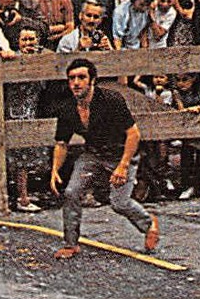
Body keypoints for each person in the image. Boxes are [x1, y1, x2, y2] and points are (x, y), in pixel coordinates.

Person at [49, 57, 160, 260]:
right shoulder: (67, 108)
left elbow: (133, 134)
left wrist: (123, 166)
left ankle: (148, 224)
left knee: (119, 203)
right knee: (72, 192)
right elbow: (61, 143)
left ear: (92, 80)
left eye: (81, 77)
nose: (76, 83)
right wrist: (55, 169)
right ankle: (71, 244)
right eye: (72, 78)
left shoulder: (111, 100)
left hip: (121, 153)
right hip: (93, 154)